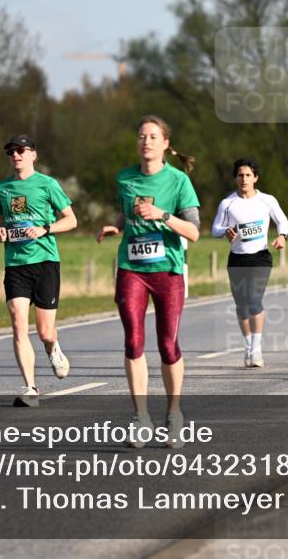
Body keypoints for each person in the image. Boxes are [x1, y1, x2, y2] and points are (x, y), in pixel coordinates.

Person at [96, 115, 200, 448]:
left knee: (168, 345)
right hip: (131, 267)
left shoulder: (179, 181)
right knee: (133, 342)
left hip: (167, 269)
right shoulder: (125, 178)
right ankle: (140, 418)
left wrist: (164, 216)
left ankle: (174, 414)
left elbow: (194, 232)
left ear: (166, 144)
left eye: (153, 136)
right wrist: (118, 225)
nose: (146, 141)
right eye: (141, 136)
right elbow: (128, 212)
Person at [0, 135, 78, 408]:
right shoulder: (2, 189)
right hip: (16, 264)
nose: (15, 155)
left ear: (33, 154)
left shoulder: (47, 184)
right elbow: (0, 221)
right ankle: (30, 387)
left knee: (44, 333)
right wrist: (0, 231)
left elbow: (71, 220)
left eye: (20, 150)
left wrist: (45, 229)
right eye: (11, 152)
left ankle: (53, 348)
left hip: (45, 262)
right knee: (19, 323)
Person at [212, 158, 288, 368]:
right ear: (235, 178)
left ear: (255, 177)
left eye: (248, 175)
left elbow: (282, 220)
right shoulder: (228, 204)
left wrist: (282, 236)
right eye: (240, 175)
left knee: (254, 300)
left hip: (260, 257)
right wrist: (225, 231)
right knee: (241, 305)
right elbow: (215, 228)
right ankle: (247, 345)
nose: (244, 179)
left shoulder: (267, 200)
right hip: (237, 258)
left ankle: (256, 349)